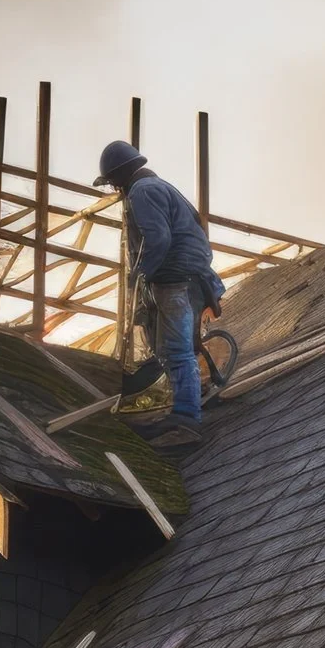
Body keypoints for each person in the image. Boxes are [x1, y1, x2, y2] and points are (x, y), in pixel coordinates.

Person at [95, 139, 223, 440]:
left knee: (177, 349)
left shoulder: (143, 192)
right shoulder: (156, 187)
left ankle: (186, 418)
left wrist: (141, 273)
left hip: (176, 279)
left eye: (113, 183)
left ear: (119, 177)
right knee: (166, 346)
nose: (115, 189)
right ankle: (196, 391)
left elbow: (159, 240)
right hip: (182, 276)